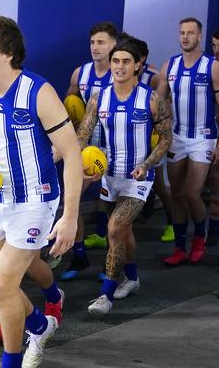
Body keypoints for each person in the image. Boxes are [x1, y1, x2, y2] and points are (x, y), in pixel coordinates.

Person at [0, 14, 81, 368]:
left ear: (8, 53)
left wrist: (70, 216)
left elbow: (71, 153)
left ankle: (11, 361)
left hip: (36, 200)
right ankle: (39, 325)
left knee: (4, 283)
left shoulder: (38, 92)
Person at [75, 41, 172, 315]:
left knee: (115, 228)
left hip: (138, 177)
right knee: (123, 231)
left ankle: (105, 295)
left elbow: (166, 137)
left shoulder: (151, 99)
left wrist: (147, 163)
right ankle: (132, 278)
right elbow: (83, 134)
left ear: (138, 65)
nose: (119, 66)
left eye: (126, 61)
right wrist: (79, 162)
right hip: (109, 176)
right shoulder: (99, 98)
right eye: (115, 61)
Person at [157, 18, 219, 266]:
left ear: (199, 37)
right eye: (182, 33)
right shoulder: (170, 66)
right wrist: (160, 128)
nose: (185, 37)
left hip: (203, 137)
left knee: (191, 192)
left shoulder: (213, 67)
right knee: (176, 194)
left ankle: (199, 237)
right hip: (177, 137)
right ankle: (178, 247)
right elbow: (158, 100)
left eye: (190, 33)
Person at [61, 22, 117, 280]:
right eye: (93, 42)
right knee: (70, 200)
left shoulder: (121, 74)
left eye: (101, 42)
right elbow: (69, 106)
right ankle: (79, 255)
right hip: (87, 148)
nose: (95, 47)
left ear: (114, 44)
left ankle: (112, 264)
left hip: (118, 149)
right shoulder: (79, 74)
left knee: (116, 210)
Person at [127, 35, 175, 242]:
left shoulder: (154, 77)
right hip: (128, 141)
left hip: (151, 141)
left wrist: (157, 138)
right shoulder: (118, 77)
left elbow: (166, 109)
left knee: (159, 186)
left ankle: (173, 222)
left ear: (142, 59)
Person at [205, 27, 219, 246]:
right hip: (214, 131)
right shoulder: (210, 68)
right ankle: (214, 228)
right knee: (216, 178)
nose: (217, 50)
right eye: (214, 45)